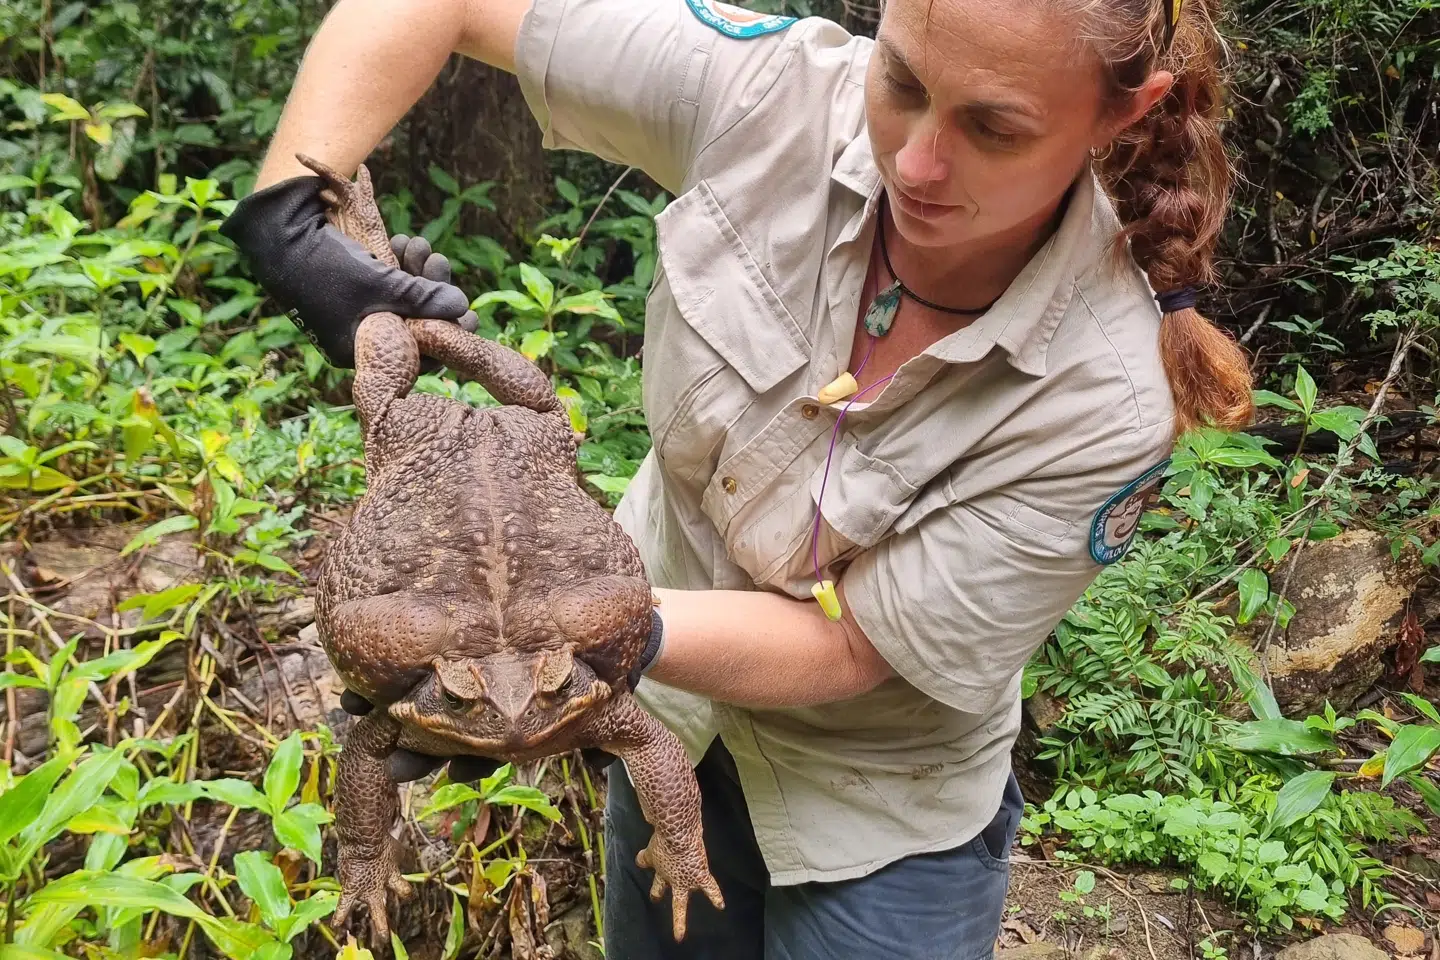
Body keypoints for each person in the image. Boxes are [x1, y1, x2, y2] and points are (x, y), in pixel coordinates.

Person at [219, 0, 1255, 952]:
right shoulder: (773, 96)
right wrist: (291, 223)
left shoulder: (1109, 395)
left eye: (995, 127)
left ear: (1122, 114)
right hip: (667, 728)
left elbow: (853, 645)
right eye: (900, 80)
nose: (917, 160)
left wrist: (577, 639)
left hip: (876, 806)